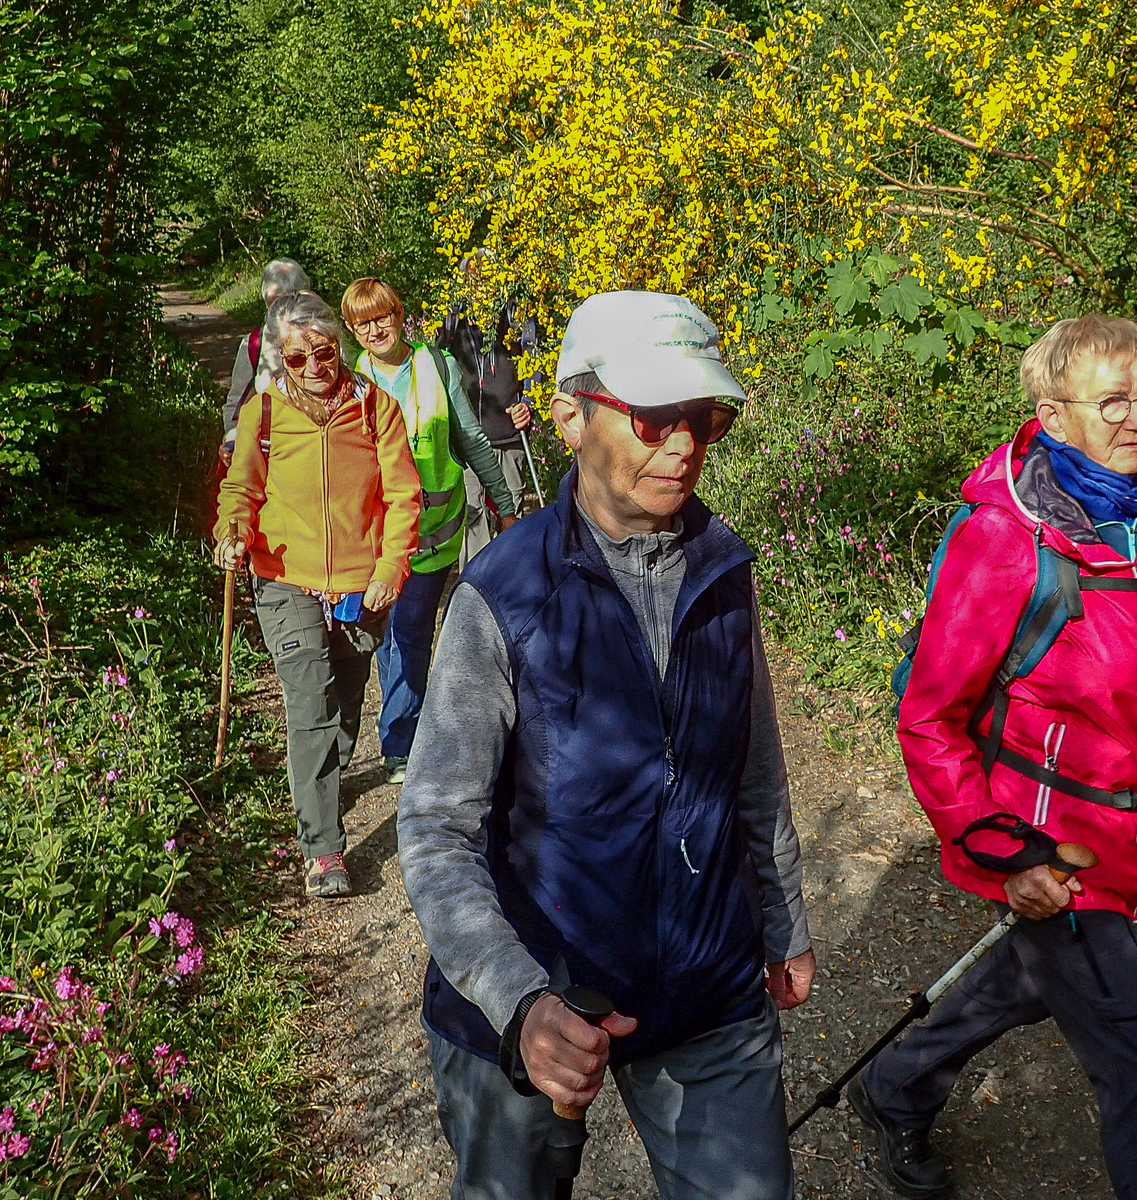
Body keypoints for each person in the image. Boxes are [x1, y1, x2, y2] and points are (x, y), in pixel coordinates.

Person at [398, 290, 814, 1200]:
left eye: (704, 417)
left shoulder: (724, 571)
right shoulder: (501, 595)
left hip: (707, 985)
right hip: (537, 998)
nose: (684, 444)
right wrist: (518, 1002)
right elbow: (434, 827)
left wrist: (782, 919)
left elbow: (753, 770)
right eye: (654, 416)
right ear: (569, 416)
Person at [848, 314, 1137, 1200]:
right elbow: (928, 718)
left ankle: (895, 1086)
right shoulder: (1005, 538)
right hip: (1051, 848)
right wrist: (1008, 852)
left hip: (1125, 845)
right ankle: (897, 1089)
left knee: (1024, 983)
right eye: (1113, 402)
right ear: (1053, 413)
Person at [214, 291, 422, 898]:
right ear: (280, 357)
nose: (312, 366)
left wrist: (391, 567)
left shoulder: (375, 407)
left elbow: (403, 495)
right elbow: (240, 488)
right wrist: (232, 530)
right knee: (310, 701)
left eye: (323, 352)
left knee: (347, 693)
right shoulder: (264, 412)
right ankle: (322, 849)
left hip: (361, 584)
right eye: (297, 357)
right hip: (284, 576)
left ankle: (329, 770)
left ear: (339, 347)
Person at [340, 278, 521, 784]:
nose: (376, 329)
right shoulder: (348, 382)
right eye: (362, 323)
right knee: (384, 637)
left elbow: (472, 440)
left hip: (432, 535)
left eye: (383, 317)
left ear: (400, 315)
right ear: (351, 330)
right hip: (373, 538)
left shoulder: (437, 367)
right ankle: (400, 726)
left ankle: (401, 743)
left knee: (409, 632)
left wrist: (505, 506)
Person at [434, 252, 543, 566]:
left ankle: (514, 579)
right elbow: (439, 367)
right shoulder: (452, 320)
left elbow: (534, 363)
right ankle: (476, 582)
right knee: (472, 516)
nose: (482, 286)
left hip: (508, 436)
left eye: (489, 279)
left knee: (512, 515)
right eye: (475, 279)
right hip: (466, 439)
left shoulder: (515, 315)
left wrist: (527, 404)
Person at [220, 257, 311, 465]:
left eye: (288, 299)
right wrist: (233, 440)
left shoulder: (321, 340)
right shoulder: (254, 344)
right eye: (273, 301)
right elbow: (235, 405)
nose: (280, 308)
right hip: (268, 455)